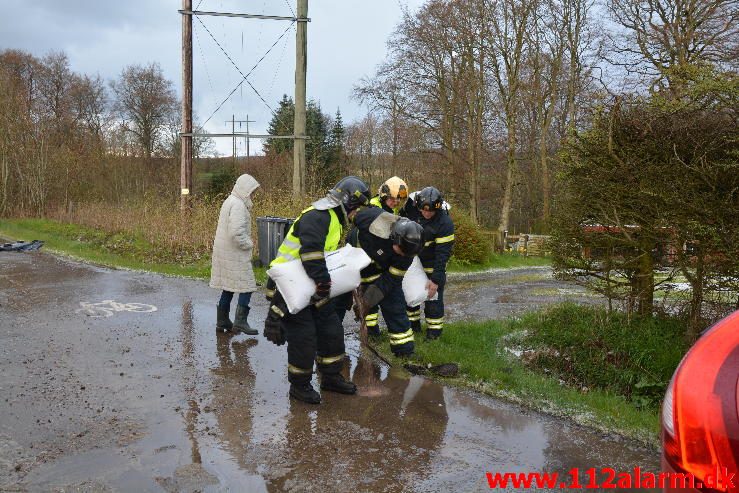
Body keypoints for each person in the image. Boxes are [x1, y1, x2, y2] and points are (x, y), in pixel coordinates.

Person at [263, 176, 371, 404]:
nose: (357, 214)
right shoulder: (319, 215)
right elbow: (311, 252)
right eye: (358, 208)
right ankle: (299, 386)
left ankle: (331, 377)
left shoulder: (334, 218)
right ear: (349, 203)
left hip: (310, 285)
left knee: (331, 330)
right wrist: (323, 282)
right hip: (289, 288)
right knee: (304, 337)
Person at [337, 209, 425, 356]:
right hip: (355, 264)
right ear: (395, 238)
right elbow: (351, 215)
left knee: (396, 309)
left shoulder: (408, 252)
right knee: (337, 305)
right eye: (401, 251)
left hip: (384, 272)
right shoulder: (371, 220)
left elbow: (390, 280)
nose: (403, 255)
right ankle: (329, 345)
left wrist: (368, 300)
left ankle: (405, 353)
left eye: (407, 254)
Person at [210, 173, 260, 335]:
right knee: (247, 286)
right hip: (235, 252)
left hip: (225, 252)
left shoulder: (229, 201)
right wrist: (249, 244)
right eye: (252, 191)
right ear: (245, 189)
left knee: (229, 286)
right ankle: (240, 321)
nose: (253, 194)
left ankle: (222, 320)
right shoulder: (238, 205)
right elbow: (236, 233)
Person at [403, 186, 455, 340]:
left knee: (433, 300)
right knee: (410, 298)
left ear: (437, 208)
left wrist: (435, 280)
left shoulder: (444, 223)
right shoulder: (414, 212)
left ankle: (434, 334)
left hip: (433, 266)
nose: (426, 213)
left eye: (430, 211)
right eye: (423, 210)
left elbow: (442, 254)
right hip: (414, 263)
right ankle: (414, 328)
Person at [361, 176, 409, 336]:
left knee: (372, 302)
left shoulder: (387, 211)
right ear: (384, 195)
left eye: (399, 200)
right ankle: (372, 334)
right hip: (369, 265)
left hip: (376, 265)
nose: (396, 202)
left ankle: (373, 334)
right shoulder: (374, 210)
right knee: (371, 304)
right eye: (393, 199)